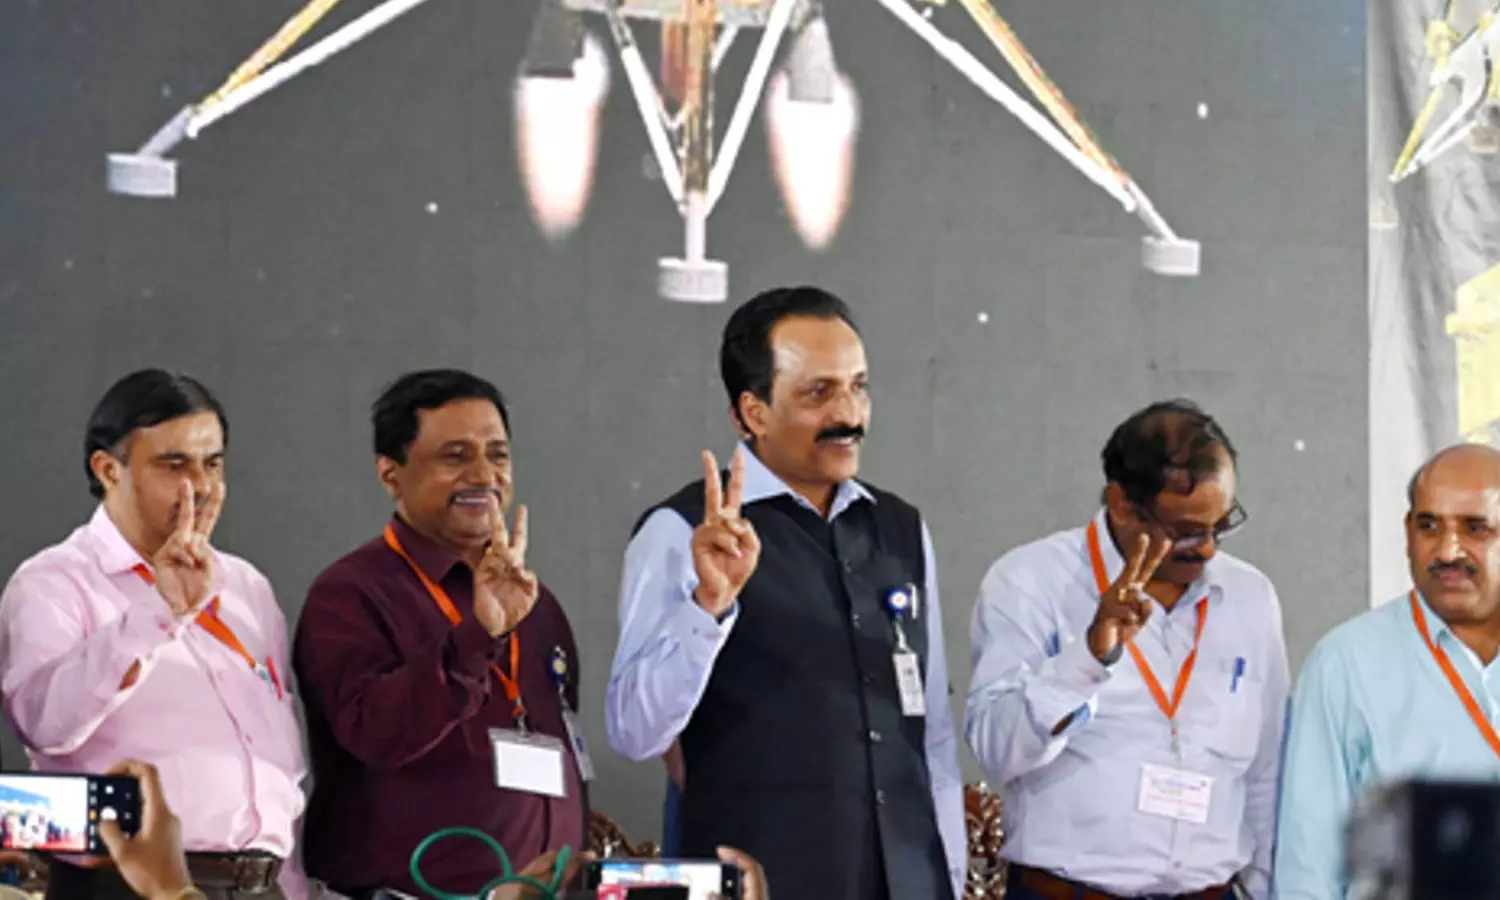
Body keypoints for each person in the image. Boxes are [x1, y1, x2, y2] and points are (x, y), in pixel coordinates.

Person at [606, 286, 966, 900]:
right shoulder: (681, 530)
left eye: (859, 386)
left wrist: (948, 877)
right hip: (756, 878)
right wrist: (708, 609)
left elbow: (930, 730)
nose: (850, 414)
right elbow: (633, 730)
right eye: (819, 393)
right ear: (753, 412)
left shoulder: (901, 527)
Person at [0, 370, 308, 899]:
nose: (202, 486)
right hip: (124, 883)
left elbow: (276, 765)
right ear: (108, 469)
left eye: (213, 463)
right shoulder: (54, 582)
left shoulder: (245, 585)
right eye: (175, 465)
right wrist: (158, 612)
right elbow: (42, 723)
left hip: (262, 884)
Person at [965, 400, 1288, 899]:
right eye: (1185, 531)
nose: (1207, 548)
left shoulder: (1250, 597)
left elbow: (1266, 775)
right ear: (1121, 504)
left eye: (1221, 526)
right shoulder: (1030, 582)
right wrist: (1087, 659)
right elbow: (996, 750)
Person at [294, 369, 588, 898]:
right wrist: (477, 636)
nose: (484, 475)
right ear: (391, 475)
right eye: (455, 457)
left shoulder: (536, 603)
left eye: (498, 455)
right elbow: (376, 734)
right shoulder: (351, 594)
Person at [1274, 443, 1500, 899]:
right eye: (1429, 526)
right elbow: (1308, 868)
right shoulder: (1344, 665)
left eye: (1475, 528)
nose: (1447, 550)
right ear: (1407, 532)